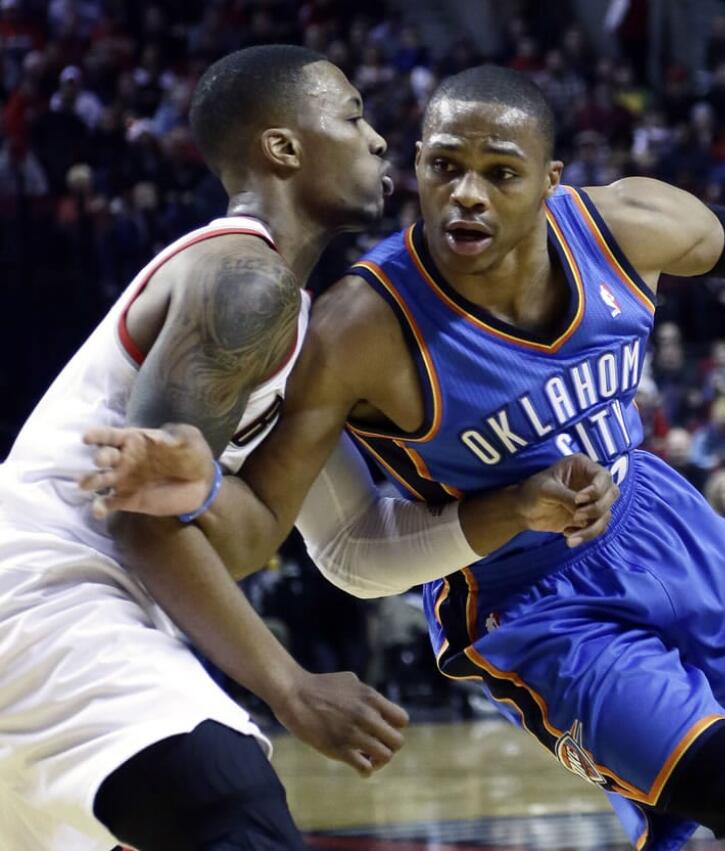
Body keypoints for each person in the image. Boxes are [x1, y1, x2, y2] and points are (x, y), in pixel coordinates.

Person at [84, 65, 725, 851]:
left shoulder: (619, 229)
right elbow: (273, 527)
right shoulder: (359, 325)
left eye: (496, 171)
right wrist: (196, 483)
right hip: (530, 601)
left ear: (550, 182)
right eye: (442, 166)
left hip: (666, 524)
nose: (465, 195)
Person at [0, 48, 615, 851]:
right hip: (48, 590)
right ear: (283, 148)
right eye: (353, 115)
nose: (377, 141)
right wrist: (289, 685)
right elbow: (136, 520)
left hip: (66, 610)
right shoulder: (243, 281)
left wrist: (514, 507)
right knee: (233, 803)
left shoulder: (293, 324)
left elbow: (302, 540)